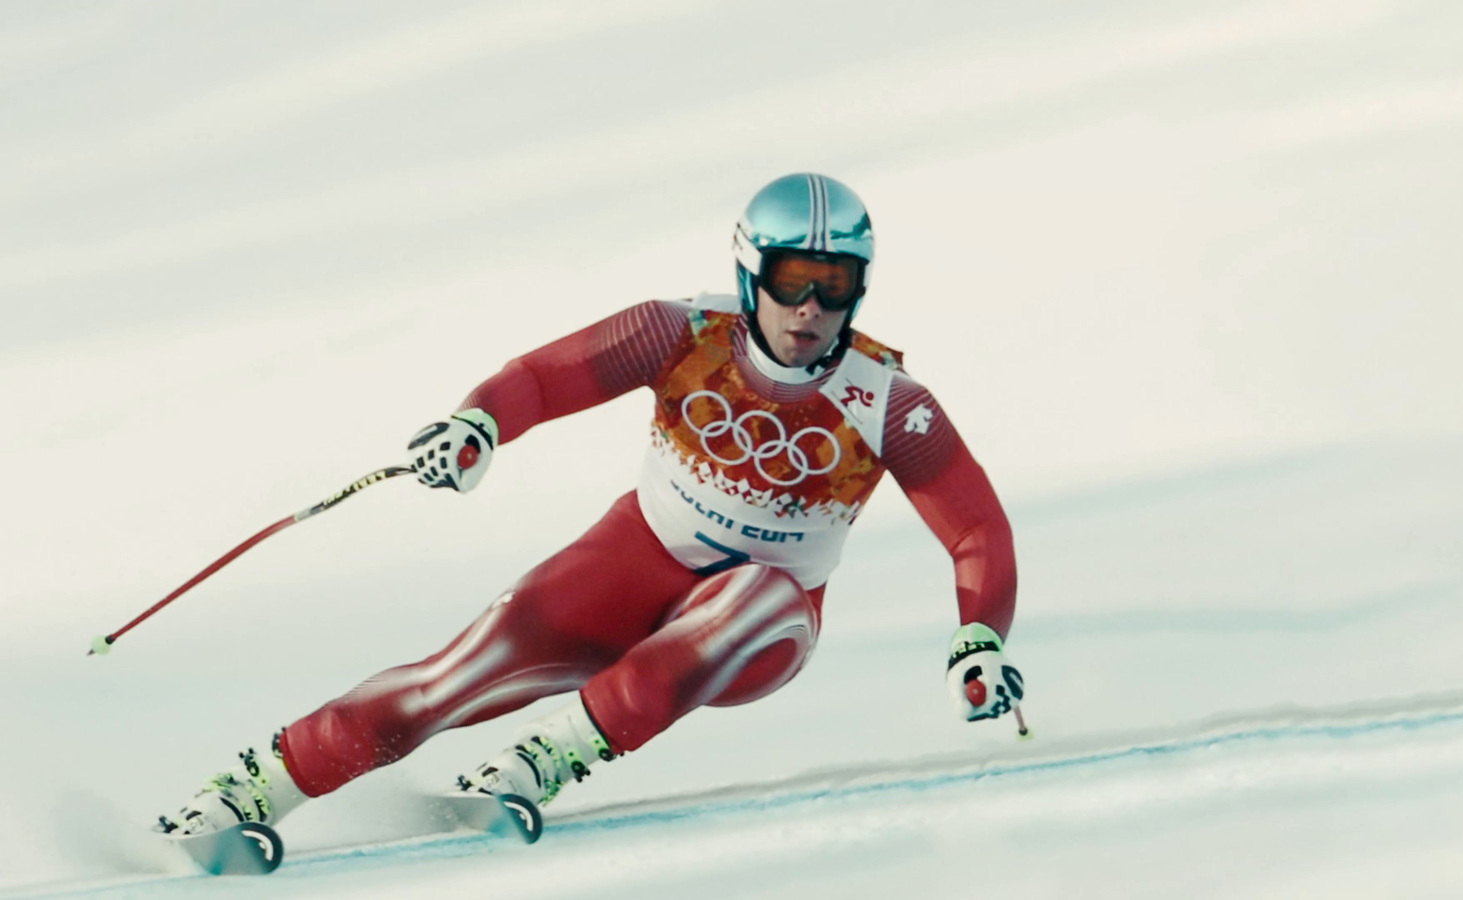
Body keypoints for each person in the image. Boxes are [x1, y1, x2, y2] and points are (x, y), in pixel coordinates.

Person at [157, 173, 1021, 837]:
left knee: (749, 597)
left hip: (763, 626)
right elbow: (545, 377)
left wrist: (977, 640)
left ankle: (543, 761)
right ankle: (246, 794)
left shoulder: (888, 400)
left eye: (835, 285)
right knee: (456, 675)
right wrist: (478, 424)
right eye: (793, 278)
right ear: (749, 270)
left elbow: (975, 527)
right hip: (632, 562)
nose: (810, 309)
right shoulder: (678, 333)